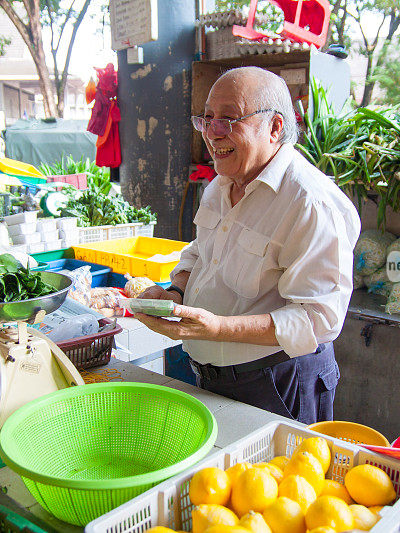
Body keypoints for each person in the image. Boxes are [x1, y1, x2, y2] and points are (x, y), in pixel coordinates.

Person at [135, 66, 360, 424]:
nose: (212, 133)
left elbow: (319, 318)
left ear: (274, 128)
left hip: (277, 383)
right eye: (207, 119)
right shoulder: (221, 185)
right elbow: (200, 252)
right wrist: (175, 293)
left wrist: (220, 328)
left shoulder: (309, 203)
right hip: (211, 377)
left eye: (229, 119)